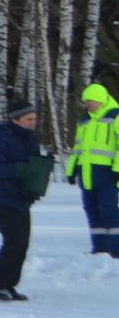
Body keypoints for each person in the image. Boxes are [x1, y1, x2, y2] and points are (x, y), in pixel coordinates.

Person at [0, 97, 46, 300]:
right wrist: (24, 169)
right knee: (14, 240)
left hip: (22, 197)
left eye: (34, 118)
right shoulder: (0, 137)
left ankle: (9, 284)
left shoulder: (30, 137)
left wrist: (37, 179)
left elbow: (33, 165)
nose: (33, 122)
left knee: (23, 243)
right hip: (2, 198)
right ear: (15, 119)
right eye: (29, 119)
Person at [66, 83, 119, 258]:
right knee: (92, 211)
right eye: (86, 101)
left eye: (91, 101)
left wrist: (117, 169)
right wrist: (71, 169)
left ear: (101, 100)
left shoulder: (115, 116)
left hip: (108, 175)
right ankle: (99, 248)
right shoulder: (84, 121)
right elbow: (78, 148)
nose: (88, 104)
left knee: (109, 212)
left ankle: (116, 249)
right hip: (86, 174)